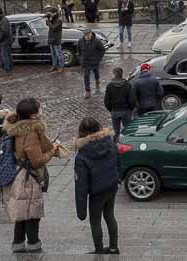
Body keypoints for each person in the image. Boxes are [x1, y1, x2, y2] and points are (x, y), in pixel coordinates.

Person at [3, 98, 62, 254]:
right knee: (31, 213)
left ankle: (18, 244)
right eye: (39, 109)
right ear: (33, 115)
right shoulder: (31, 133)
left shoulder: (18, 127)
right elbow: (36, 161)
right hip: (28, 178)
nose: (42, 111)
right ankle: (34, 244)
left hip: (19, 174)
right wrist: (52, 150)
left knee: (22, 212)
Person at [74, 117, 120, 255]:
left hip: (97, 193)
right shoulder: (110, 143)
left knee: (95, 222)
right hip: (111, 186)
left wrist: (81, 212)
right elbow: (118, 161)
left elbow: (81, 185)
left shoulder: (82, 155)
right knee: (110, 216)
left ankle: (99, 251)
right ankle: (113, 247)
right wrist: (119, 178)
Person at [104, 67, 136, 141]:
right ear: (122, 74)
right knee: (128, 129)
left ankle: (115, 144)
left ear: (114, 74)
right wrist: (130, 109)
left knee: (115, 130)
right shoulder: (127, 85)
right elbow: (132, 100)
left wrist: (111, 109)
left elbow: (106, 101)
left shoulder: (109, 86)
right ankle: (129, 143)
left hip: (115, 111)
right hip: (126, 110)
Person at [78, 30, 105, 99]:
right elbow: (79, 51)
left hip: (94, 61)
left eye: (88, 35)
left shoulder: (97, 41)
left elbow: (102, 50)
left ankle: (97, 81)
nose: (86, 37)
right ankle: (87, 91)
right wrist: (81, 59)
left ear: (91, 34)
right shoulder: (80, 41)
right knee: (86, 75)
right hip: (86, 62)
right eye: (85, 35)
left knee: (96, 72)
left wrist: (98, 59)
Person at [0, 8, 13, 72]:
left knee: (4, 55)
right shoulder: (3, 19)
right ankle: (9, 67)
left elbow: (4, 31)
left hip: (4, 41)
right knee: (7, 55)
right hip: (6, 40)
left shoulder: (3, 20)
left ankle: (7, 69)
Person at [46, 7, 64, 73]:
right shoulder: (52, 19)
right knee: (53, 54)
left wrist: (48, 22)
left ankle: (61, 66)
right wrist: (48, 18)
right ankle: (54, 66)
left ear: (55, 13)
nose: (50, 14)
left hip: (56, 39)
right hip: (51, 38)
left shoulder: (58, 20)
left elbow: (53, 28)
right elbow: (47, 23)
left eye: (51, 13)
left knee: (59, 54)